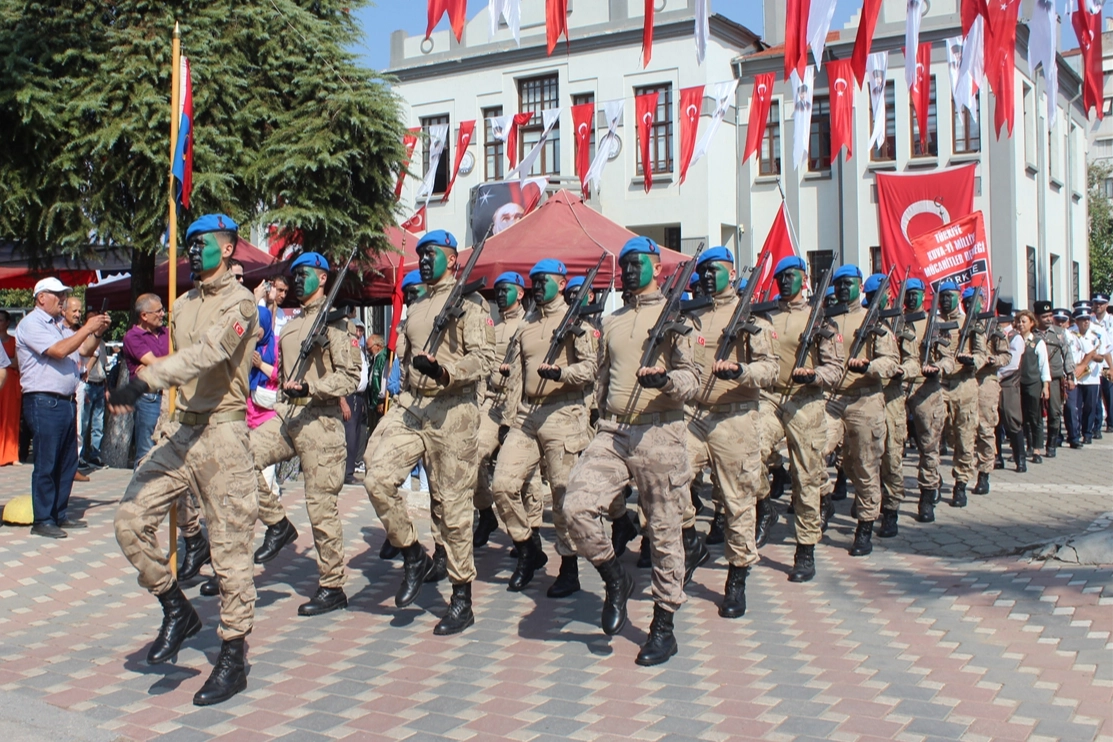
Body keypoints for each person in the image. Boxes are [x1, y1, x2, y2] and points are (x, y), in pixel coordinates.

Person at [111, 213, 259, 706]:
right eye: (190, 243)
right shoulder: (180, 304)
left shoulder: (241, 303)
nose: (194, 251)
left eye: (205, 243)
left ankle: (233, 654)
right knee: (130, 520)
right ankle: (176, 607)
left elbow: (209, 356)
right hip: (181, 432)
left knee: (229, 552)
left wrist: (146, 380)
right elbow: (184, 371)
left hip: (223, 435)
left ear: (230, 248)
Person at [564, 236, 699, 667]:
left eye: (639, 263)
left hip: (660, 433)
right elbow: (603, 378)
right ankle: (614, 577)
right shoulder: (615, 320)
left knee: (663, 532)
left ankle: (663, 624)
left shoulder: (678, 318)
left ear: (658, 268)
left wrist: (666, 383)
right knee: (575, 507)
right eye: (625, 264)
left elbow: (692, 379)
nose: (630, 270)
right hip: (614, 431)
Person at [361, 230, 495, 636]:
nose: (423, 259)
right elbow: (404, 357)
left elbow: (484, 358)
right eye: (420, 254)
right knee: (377, 477)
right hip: (414, 407)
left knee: (452, 509)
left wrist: (445, 372)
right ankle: (413, 554)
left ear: (452, 259)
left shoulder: (471, 304)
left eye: (431, 254)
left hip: (453, 411)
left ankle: (461, 596)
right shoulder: (417, 306)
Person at [252, 253, 360, 615]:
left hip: (322, 421)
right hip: (288, 414)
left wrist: (313, 389)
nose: (298, 281)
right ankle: (277, 524)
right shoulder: (293, 323)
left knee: (320, 507)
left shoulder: (336, 322)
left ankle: (332, 585)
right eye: (295, 275)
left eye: (306, 275)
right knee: (238, 458)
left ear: (323, 279)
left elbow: (350, 376)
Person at [494, 260, 598, 596]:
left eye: (545, 280)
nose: (538, 286)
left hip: (563, 414)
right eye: (534, 281)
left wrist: (562, 375)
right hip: (527, 414)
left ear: (561, 281)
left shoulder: (576, 322)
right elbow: (516, 379)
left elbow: (591, 369)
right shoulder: (525, 326)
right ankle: (528, 549)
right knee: (502, 485)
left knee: (561, 495)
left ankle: (569, 568)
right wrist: (507, 421)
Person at [684, 248, 778, 617]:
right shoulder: (694, 317)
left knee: (738, 503)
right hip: (696, 416)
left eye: (715, 270)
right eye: (704, 271)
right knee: (665, 481)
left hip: (736, 418)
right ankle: (691, 542)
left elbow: (771, 370)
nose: (708, 277)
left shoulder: (752, 319)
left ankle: (736, 578)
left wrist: (741, 372)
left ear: (732, 272)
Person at [764, 257, 844, 581]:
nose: (785, 281)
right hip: (770, 398)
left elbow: (835, 368)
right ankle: (763, 507)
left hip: (805, 400)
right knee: (746, 454)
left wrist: (813, 376)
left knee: (807, 476)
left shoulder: (820, 319)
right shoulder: (765, 315)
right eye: (780, 276)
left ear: (804, 278)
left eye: (791, 276)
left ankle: (806, 546)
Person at [16, 278, 109, 538]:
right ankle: (43, 519)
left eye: (63, 294)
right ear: (41, 297)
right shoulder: (32, 324)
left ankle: (58, 513)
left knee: (67, 461)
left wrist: (97, 332)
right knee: (47, 461)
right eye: (57, 295)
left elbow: (83, 349)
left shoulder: (60, 325)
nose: (62, 299)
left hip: (65, 401)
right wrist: (87, 327)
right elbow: (58, 351)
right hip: (44, 400)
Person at [822, 265, 900, 554]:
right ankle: (823, 501)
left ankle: (865, 525)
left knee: (865, 466)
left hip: (865, 399)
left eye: (849, 283)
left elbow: (891, 362)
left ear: (859, 286)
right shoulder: (827, 321)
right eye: (839, 283)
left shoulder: (874, 321)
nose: (843, 288)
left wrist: (869, 366)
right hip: (832, 399)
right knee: (813, 451)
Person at [903, 280, 957, 522]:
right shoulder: (896, 322)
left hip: (926, 388)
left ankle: (926, 495)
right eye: (908, 295)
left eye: (916, 295)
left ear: (923, 296)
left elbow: (948, 358)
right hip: (900, 388)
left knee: (929, 448)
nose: (912, 299)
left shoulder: (935, 325)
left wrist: (937, 368)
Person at [941, 286, 987, 507]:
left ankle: (961, 483)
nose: (945, 301)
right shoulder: (935, 322)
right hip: (940, 384)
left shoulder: (970, 323)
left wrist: (973, 361)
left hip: (964, 383)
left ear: (958, 298)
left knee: (965, 437)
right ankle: (932, 479)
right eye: (942, 297)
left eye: (949, 297)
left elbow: (981, 353)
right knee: (936, 436)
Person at [972, 299, 1014, 494]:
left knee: (985, 429)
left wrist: (991, 360)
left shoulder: (993, 327)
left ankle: (984, 473)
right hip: (965, 381)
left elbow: (1006, 356)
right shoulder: (962, 324)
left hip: (986, 382)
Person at [123, 294, 169, 465]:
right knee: (146, 451)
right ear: (144, 315)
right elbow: (154, 362)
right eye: (158, 311)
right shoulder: (133, 336)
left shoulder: (167, 332)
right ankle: (140, 491)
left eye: (162, 309)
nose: (162, 314)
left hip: (169, 396)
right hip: (148, 398)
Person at [1012, 309, 1051, 463]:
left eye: (1024, 321)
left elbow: (1044, 366)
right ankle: (1022, 448)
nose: (1021, 324)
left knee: (1035, 417)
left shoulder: (1038, 342)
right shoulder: (1014, 341)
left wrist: (1045, 386)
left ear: (1032, 323)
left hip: (1033, 383)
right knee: (1020, 417)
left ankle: (1036, 449)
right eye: (1019, 322)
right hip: (1017, 383)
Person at [1035, 302, 1071, 459]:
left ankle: (1051, 444)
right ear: (1036, 317)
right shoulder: (1032, 334)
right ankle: (1034, 445)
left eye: (1050, 316)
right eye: (1044, 317)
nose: (1048, 319)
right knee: (1034, 413)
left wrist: (1070, 375)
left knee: (1055, 412)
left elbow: (1067, 354)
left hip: (1055, 378)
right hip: (1036, 378)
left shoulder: (1059, 333)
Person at [61, 297, 91, 481]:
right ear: (63, 310)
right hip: (61, 385)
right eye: (74, 311)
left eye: (80, 311)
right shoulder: (58, 331)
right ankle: (65, 466)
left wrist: (96, 333)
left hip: (78, 382)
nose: (78, 314)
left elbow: (90, 351)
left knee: (78, 426)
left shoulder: (80, 332)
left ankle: (74, 465)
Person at [81, 307, 110, 469]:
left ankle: (94, 455)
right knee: (83, 423)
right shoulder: (83, 340)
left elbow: (104, 367)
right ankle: (80, 455)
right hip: (88, 384)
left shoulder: (102, 343)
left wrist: (106, 389)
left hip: (100, 384)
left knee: (98, 423)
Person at [342, 315, 369, 486]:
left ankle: (350, 469)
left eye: (361, 330)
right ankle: (346, 472)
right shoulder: (347, 348)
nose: (358, 333)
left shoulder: (360, 349)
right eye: (356, 329)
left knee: (357, 435)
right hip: (349, 394)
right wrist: (343, 400)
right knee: (349, 435)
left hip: (360, 397)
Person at [1071, 307, 1104, 444]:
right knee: (1075, 407)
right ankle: (1075, 432)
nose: (1086, 322)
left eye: (1088, 319)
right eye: (1082, 320)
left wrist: (1094, 357)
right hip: (1075, 376)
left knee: (1090, 406)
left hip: (1091, 376)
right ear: (1077, 321)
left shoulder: (1096, 336)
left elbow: (1101, 357)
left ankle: (1088, 433)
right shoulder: (1070, 333)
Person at [0, 310, 22, 466]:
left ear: (7, 323)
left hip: (10, 382)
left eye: (1, 320)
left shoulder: (14, 341)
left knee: (10, 418)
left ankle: (11, 454)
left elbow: (17, 363)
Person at [1093, 293, 1113, 434]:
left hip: (1109, 362)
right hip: (1094, 364)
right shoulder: (1089, 321)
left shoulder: (1111, 321)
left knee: (1109, 394)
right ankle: (1096, 425)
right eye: (1096, 303)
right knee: (1095, 395)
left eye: (1101, 303)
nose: (1098, 306)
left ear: (1106, 305)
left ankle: (1111, 422)